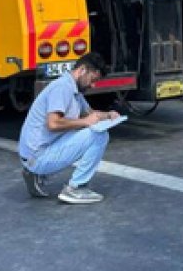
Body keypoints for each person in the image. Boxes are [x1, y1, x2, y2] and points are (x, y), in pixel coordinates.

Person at [18, 52, 120, 205]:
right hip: (37, 157)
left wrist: (108, 115)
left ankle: (34, 173)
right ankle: (75, 188)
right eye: (93, 80)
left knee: (85, 126)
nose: (93, 85)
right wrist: (85, 122)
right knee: (99, 135)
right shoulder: (62, 88)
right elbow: (53, 124)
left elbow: (91, 114)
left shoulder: (74, 90)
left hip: (35, 154)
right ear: (82, 70)